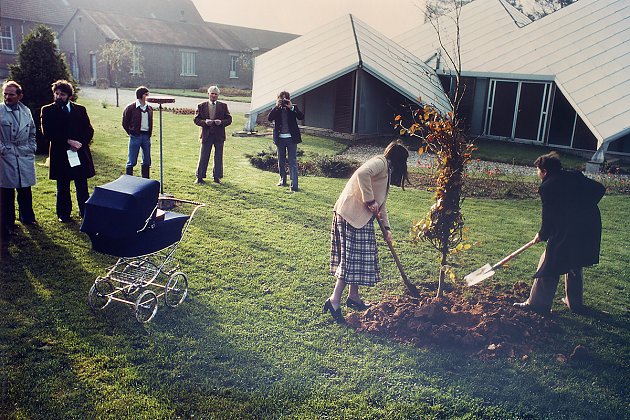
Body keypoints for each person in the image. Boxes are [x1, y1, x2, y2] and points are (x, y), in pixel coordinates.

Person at [324, 140, 410, 322]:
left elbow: (381, 205)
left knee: (357, 258)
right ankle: (334, 300)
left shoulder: (386, 171)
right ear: (399, 159)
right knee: (351, 259)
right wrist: (369, 200)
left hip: (359, 218)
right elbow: (361, 173)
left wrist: (386, 229)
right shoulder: (380, 162)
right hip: (351, 215)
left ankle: (353, 297)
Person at [514, 151, 605, 314]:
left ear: (545, 171)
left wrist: (542, 234)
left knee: (550, 261)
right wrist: (583, 208)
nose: (537, 174)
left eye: (538, 170)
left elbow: (548, 216)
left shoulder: (547, 186)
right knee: (574, 260)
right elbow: (599, 189)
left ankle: (537, 304)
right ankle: (574, 304)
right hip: (587, 227)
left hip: (569, 230)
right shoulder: (574, 175)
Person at [41, 79, 95, 222]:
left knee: (81, 185)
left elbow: (89, 130)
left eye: (62, 94)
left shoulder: (80, 110)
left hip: (79, 152)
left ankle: (85, 212)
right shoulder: (47, 110)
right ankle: (63, 215)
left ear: (70, 96)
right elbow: (48, 132)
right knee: (63, 186)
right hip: (60, 154)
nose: (59, 97)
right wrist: (67, 141)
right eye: (56, 94)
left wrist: (80, 143)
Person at [0, 81, 37, 242]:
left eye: (11, 94)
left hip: (24, 154)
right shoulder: (0, 111)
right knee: (6, 191)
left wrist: (31, 147)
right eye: (5, 94)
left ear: (19, 95)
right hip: (5, 156)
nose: (7, 97)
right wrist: (2, 149)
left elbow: (33, 131)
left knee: (25, 188)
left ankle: (27, 217)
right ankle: (8, 222)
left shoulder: (26, 111)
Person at [193, 86, 232, 184]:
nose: (214, 95)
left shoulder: (223, 106)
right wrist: (205, 122)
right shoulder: (201, 106)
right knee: (203, 156)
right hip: (206, 135)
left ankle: (217, 177)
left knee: (218, 156)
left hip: (219, 135)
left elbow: (229, 119)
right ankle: (200, 177)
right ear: (208, 94)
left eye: (216, 94)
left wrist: (221, 122)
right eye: (212, 93)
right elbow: (196, 120)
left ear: (218, 95)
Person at [267, 91, 304, 192]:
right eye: (281, 99)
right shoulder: (276, 109)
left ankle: (294, 185)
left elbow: (301, 117)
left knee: (292, 161)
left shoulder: (293, 108)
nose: (283, 101)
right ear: (278, 99)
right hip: (280, 139)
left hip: (292, 139)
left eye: (285, 99)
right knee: (281, 161)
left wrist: (291, 107)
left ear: (289, 99)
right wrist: (276, 107)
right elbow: (269, 118)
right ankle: (282, 180)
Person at [122, 86, 153, 178]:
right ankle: (128, 178)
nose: (148, 96)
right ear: (141, 95)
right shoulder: (131, 108)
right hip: (135, 136)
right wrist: (131, 132)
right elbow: (125, 122)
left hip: (146, 136)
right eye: (146, 94)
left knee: (147, 159)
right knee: (132, 159)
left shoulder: (149, 108)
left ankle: (145, 179)